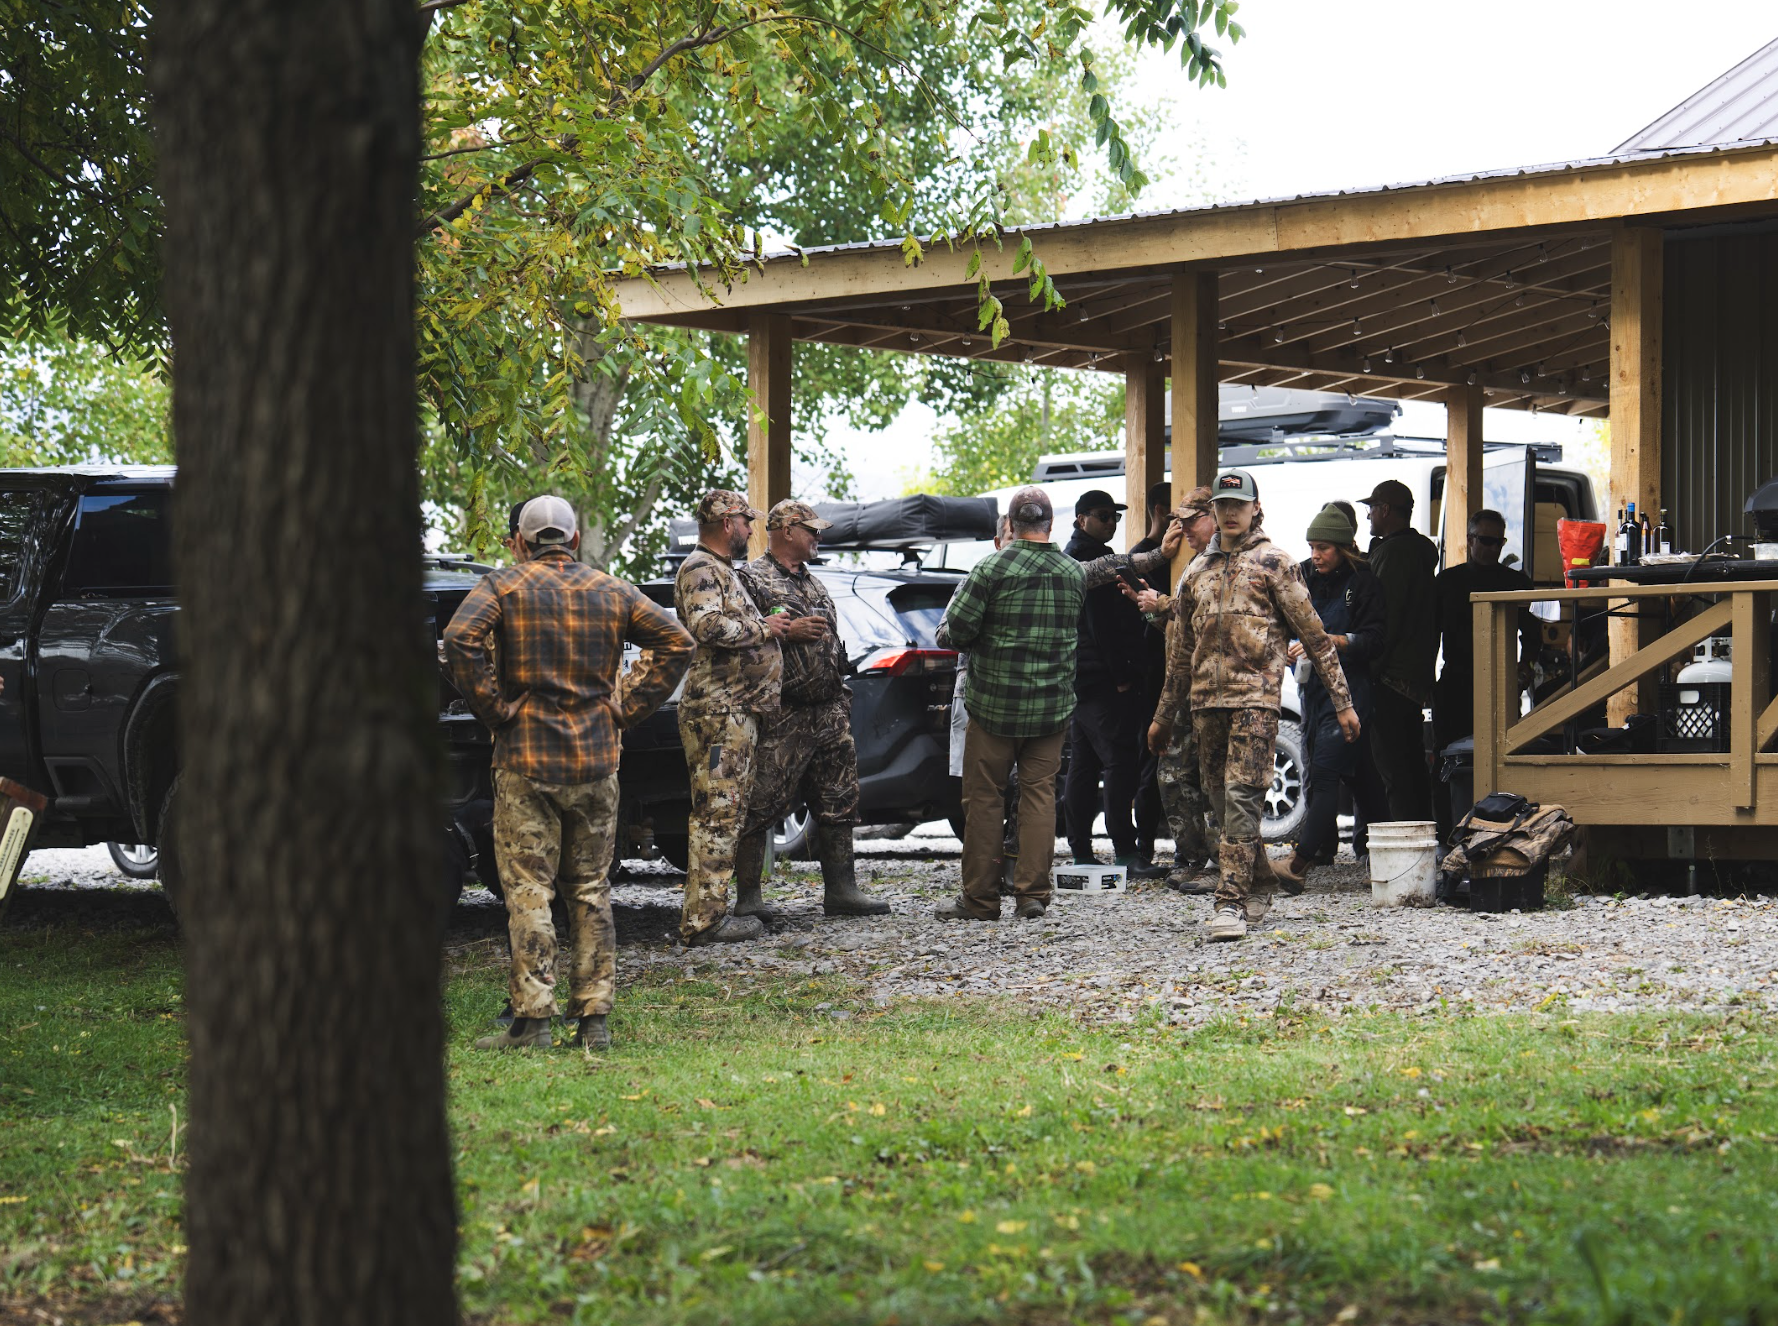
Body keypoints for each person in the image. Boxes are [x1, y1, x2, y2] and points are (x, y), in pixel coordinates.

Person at [445, 496, 695, 1050]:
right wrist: (626, 707)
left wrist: (494, 709)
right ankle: (594, 1021)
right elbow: (678, 641)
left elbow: (460, 640)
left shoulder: (502, 587)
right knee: (589, 889)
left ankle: (533, 1021)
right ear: (574, 539)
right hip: (596, 762)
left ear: (521, 541)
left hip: (525, 760)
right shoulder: (612, 590)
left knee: (529, 889)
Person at [1149, 469, 1359, 943]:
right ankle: (1261, 881)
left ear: (1255, 508)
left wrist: (1343, 703)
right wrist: (1163, 717)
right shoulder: (1196, 572)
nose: (1230, 513)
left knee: (1242, 796)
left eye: (1238, 504)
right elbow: (1181, 654)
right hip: (1205, 705)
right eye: (1222, 505)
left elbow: (1316, 638)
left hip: (1257, 702)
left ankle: (1230, 902)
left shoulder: (1275, 563)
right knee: (1222, 803)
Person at [945, 513, 1182, 883]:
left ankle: (1026, 883)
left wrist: (1157, 555)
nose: (1021, 548)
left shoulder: (1057, 571)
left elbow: (1109, 566)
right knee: (1006, 794)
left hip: (1046, 702)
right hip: (1002, 705)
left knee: (1038, 790)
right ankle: (1008, 882)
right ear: (1001, 541)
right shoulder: (998, 575)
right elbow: (950, 634)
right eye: (1013, 540)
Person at [733, 500, 891, 919]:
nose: (818, 537)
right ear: (786, 530)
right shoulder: (752, 579)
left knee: (840, 797)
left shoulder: (814, 583)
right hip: (784, 711)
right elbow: (741, 641)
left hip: (828, 709)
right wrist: (789, 632)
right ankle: (748, 898)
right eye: (811, 530)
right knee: (760, 801)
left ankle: (842, 890)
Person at [936, 487, 1085, 922]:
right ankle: (1032, 895)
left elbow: (956, 633)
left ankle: (980, 901)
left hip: (993, 706)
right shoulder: (1073, 573)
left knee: (985, 800)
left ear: (1011, 526)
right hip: (1051, 708)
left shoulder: (990, 568)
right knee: (1039, 798)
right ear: (1051, 524)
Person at [673, 490, 805, 946]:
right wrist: (764, 627)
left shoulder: (721, 569)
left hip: (735, 711)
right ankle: (703, 922)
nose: (751, 530)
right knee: (717, 813)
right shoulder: (700, 568)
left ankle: (709, 913)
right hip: (717, 713)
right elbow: (707, 625)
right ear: (727, 522)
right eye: (747, 522)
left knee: (726, 812)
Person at [1279, 504, 1390, 882]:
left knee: (1325, 775)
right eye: (1311, 547)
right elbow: (1282, 623)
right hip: (1311, 691)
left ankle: (1299, 863)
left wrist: (1332, 642)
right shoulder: (1301, 576)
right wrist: (1288, 647)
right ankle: (1386, 853)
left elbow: (1376, 640)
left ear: (1343, 548)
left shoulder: (1364, 583)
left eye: (1324, 548)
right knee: (1362, 778)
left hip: (1351, 693)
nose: (1315, 555)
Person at [1122, 487, 1218, 892]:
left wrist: (1161, 604)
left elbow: (1209, 623)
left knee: (1214, 780)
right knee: (1173, 776)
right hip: (1182, 691)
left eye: (1191, 521)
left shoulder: (1226, 562)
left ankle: (1220, 863)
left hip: (1214, 691)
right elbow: (1182, 630)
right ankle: (1192, 856)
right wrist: (1151, 609)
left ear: (1214, 516)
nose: (1184, 529)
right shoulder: (1194, 564)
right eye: (1178, 521)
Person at [1061, 489, 1162, 877]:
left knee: (1084, 765)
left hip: (1084, 681)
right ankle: (1124, 851)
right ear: (1081, 519)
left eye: (1115, 516)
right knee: (1119, 762)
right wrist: (1122, 676)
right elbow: (1100, 626)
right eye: (1103, 516)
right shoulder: (1087, 561)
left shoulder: (1082, 557)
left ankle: (1082, 852)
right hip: (1102, 681)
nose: (1111, 522)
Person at [1431, 508, 1538, 838]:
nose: (1492, 548)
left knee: (1503, 758)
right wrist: (1425, 682)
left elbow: (1533, 633)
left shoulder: (1516, 582)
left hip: (1500, 684)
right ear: (1470, 540)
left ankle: (1501, 830)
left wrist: (1525, 668)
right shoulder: (1447, 582)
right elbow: (1429, 634)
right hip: (1456, 680)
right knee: (1447, 759)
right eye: (1486, 541)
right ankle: (1449, 832)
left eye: (1498, 542)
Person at [1360, 478, 1439, 823]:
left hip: (1390, 678)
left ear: (1386, 510)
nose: (1368, 516)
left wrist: (1370, 670)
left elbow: (1384, 620)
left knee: (1394, 773)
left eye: (1371, 508)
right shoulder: (1416, 552)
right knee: (1412, 767)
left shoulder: (1394, 554)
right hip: (1413, 676)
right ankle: (1423, 838)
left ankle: (1403, 846)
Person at [1128, 480, 1177, 874]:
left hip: (1183, 671)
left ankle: (1188, 847)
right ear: (1161, 510)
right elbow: (1133, 623)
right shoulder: (1141, 558)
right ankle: (1143, 845)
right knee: (1151, 762)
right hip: (1151, 675)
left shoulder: (1192, 557)